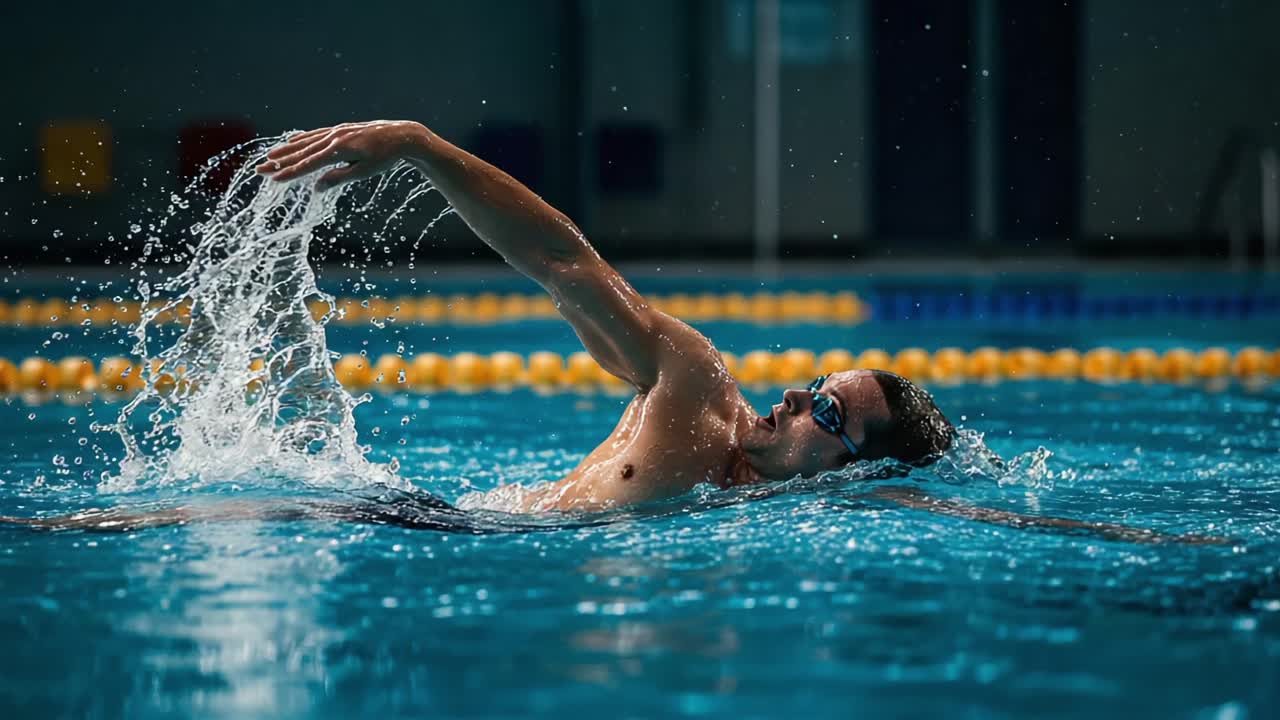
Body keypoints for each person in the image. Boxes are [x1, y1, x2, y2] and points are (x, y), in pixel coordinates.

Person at [0, 121, 1225, 545]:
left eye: (824, 412)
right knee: (149, 517)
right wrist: (420, 151)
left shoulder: (799, 511)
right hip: (415, 523)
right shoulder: (691, 389)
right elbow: (561, 262)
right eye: (809, 385)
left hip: (437, 540)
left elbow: (959, 510)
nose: (794, 402)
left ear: (847, 466)